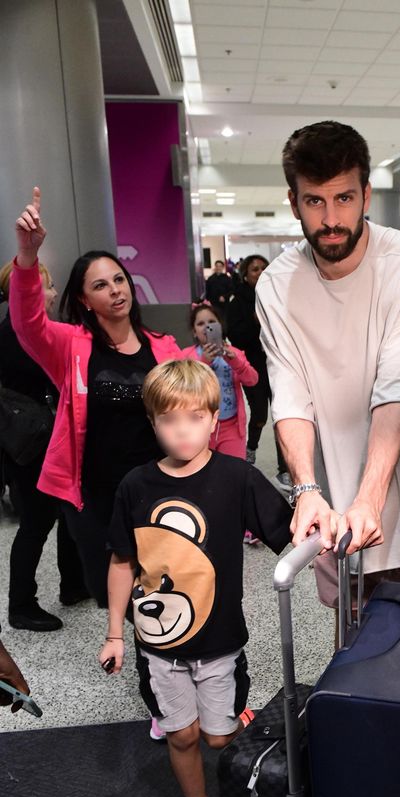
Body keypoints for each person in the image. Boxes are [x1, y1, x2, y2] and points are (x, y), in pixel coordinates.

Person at [256, 120, 400, 605]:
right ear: (294, 203)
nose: (331, 218)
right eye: (315, 201)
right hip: (332, 510)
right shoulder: (276, 286)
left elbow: (394, 393)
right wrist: (306, 488)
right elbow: (290, 395)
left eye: (344, 199)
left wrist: (370, 497)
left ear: (366, 196)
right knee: (357, 652)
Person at [98, 359, 292, 797]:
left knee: (219, 740)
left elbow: (292, 538)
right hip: (158, 645)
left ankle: (232, 719)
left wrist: (337, 537)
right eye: (168, 419)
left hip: (221, 642)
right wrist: (116, 633)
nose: (180, 430)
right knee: (181, 736)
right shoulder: (135, 485)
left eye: (192, 417)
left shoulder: (238, 477)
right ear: (153, 422)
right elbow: (122, 561)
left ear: (213, 419)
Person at [9, 187, 194, 611]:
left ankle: (158, 667)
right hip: (93, 494)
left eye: (118, 279)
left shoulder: (162, 346)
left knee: (164, 585)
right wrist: (26, 256)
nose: (115, 290)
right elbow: (27, 323)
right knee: (107, 587)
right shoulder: (70, 346)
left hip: (158, 487)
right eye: (100, 285)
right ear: (83, 300)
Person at [0, 260, 87, 631]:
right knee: (37, 523)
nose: (52, 295)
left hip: (29, 441)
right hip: (31, 445)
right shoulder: (22, 336)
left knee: (66, 510)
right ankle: (21, 605)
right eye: (47, 288)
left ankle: (73, 583)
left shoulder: (14, 332)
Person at [226, 254, 290, 489]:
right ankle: (251, 449)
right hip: (253, 366)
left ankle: (285, 468)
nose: (261, 272)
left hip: (280, 364)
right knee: (261, 415)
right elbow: (235, 336)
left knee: (282, 415)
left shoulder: (278, 296)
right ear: (245, 274)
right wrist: (256, 323)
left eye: (264, 268)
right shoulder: (238, 302)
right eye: (255, 269)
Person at [190, 301, 258, 458]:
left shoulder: (233, 353)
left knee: (233, 471)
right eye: (201, 324)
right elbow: (185, 387)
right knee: (203, 473)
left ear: (220, 326)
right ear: (194, 332)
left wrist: (235, 361)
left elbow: (252, 380)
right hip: (199, 428)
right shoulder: (189, 356)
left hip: (232, 427)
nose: (207, 327)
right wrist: (204, 361)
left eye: (212, 322)